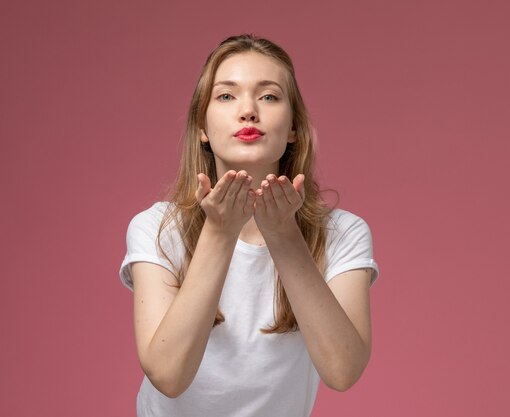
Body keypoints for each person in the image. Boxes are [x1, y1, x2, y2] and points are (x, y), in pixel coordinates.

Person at [119, 34, 379, 417]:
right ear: (202, 127)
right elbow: (168, 375)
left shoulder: (343, 232)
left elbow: (342, 372)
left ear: (293, 128)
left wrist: (284, 236)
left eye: (269, 96)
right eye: (226, 96)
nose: (248, 111)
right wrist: (219, 233)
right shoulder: (157, 228)